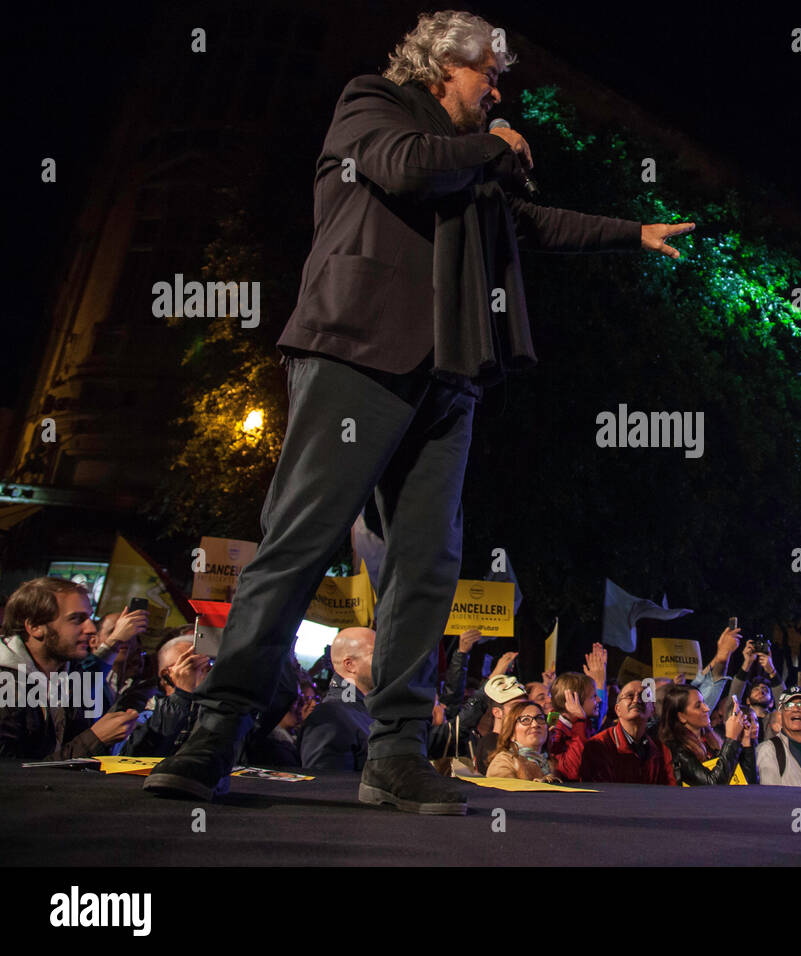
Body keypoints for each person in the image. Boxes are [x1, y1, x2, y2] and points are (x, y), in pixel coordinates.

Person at [142, 10, 693, 812]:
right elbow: (402, 169)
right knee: (301, 539)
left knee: (427, 561)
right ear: (443, 67)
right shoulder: (374, 104)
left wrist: (629, 232)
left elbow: (527, 223)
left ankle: (396, 749)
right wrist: (495, 145)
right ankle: (217, 728)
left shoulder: (475, 163)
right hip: (358, 352)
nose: (498, 91)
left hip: (451, 370)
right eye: (488, 76)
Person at [0, 577, 139, 760]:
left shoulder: (68, 673)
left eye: (89, 617)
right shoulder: (6, 686)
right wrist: (96, 738)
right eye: (76, 619)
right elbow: (14, 779)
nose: (90, 629)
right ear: (35, 627)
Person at [120, 636, 212, 757]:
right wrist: (182, 694)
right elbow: (136, 755)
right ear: (166, 675)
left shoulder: (214, 713)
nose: (204, 671)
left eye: (207, 665)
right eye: (191, 665)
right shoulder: (142, 714)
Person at [298, 628, 376, 771]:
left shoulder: (360, 709)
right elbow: (326, 787)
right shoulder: (330, 716)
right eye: (375, 653)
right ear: (350, 664)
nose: (386, 661)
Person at [659, 685, 755, 786]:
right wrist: (731, 739)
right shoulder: (678, 749)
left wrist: (746, 741)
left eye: (703, 702)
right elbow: (711, 785)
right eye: (698, 706)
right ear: (682, 717)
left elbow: (748, 782)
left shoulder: (712, 740)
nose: (707, 708)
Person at [577, 679, 669, 784]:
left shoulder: (660, 749)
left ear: (652, 709)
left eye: (644, 696)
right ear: (618, 709)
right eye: (630, 696)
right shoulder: (599, 746)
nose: (636, 700)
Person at [755, 689, 801, 787]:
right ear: (780, 717)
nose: (796, 709)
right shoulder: (769, 750)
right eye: (789, 706)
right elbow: (769, 798)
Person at [486, 700, 561, 783]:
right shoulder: (504, 761)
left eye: (540, 718)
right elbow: (502, 794)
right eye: (525, 720)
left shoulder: (550, 763)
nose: (535, 724)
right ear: (512, 732)